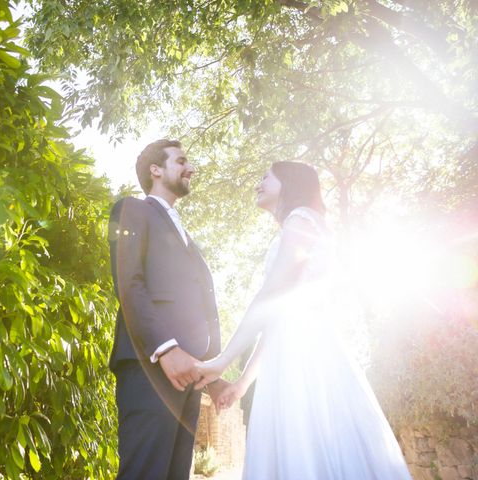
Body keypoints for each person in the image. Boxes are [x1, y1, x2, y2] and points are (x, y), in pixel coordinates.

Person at [195, 161, 413, 479]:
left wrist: (222, 359)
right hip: (291, 349)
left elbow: (270, 295)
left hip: (305, 356)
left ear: (289, 182)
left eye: (265, 177)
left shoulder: (301, 220)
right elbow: (276, 320)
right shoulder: (299, 225)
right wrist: (242, 382)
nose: (258, 183)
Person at [108, 139, 226, 480]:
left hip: (191, 377)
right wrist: (165, 349)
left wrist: (213, 369)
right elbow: (129, 283)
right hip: (150, 367)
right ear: (155, 170)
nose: (190, 168)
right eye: (181, 161)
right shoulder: (132, 209)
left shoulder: (191, 239)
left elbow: (205, 305)